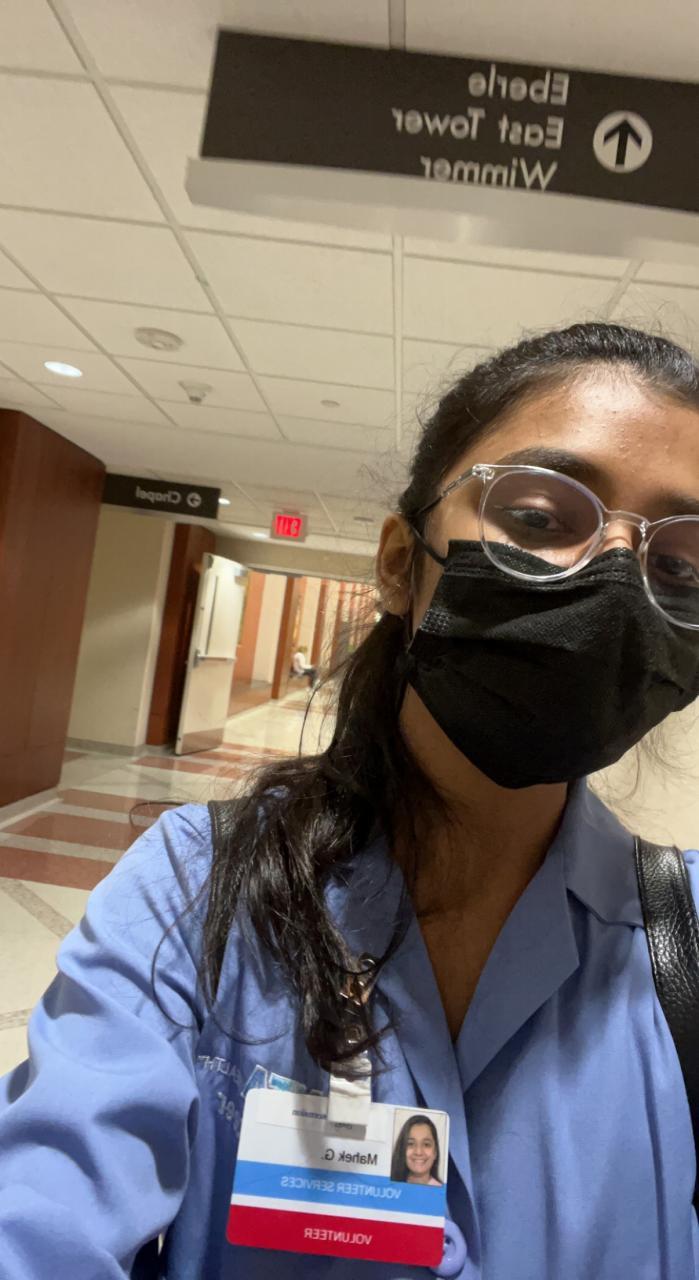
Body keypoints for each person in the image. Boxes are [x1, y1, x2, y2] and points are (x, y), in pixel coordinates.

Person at [1, 322, 699, 1279]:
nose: (611, 577)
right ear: (399, 564)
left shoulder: (681, 940)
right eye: (540, 517)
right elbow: (41, 1211)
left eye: (681, 566)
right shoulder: (196, 890)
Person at [391, 1114, 443, 1185]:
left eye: (426, 1144)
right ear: (402, 1150)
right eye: (411, 1144)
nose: (418, 1152)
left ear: (435, 1152)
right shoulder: (389, 1187)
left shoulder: (442, 1190)